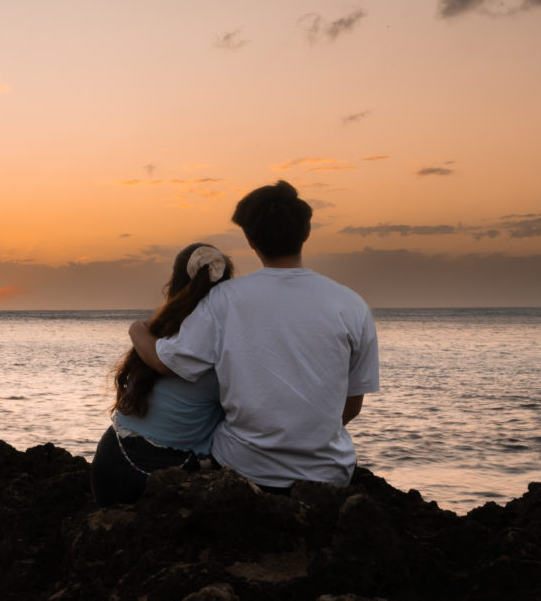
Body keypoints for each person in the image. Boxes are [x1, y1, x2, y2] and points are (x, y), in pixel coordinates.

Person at [129, 181, 379, 494]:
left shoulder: (224, 299)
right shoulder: (352, 305)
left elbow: (164, 362)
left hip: (246, 472)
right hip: (329, 475)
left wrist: (136, 329)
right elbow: (352, 406)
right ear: (306, 231)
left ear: (249, 238)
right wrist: (303, 440)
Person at [90, 242, 232, 506]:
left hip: (111, 459)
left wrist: (137, 328)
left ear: (174, 285)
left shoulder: (157, 335)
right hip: (165, 476)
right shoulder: (225, 343)